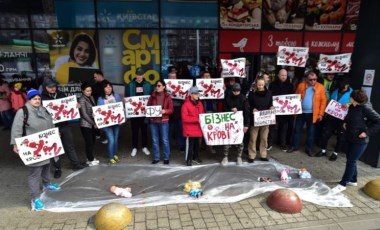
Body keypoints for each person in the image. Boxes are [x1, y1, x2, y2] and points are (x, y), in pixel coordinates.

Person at [10, 88, 61, 211]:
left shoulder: (44, 109)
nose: (37, 100)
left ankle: (46, 184)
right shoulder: (23, 112)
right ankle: (35, 198)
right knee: (34, 173)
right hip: (33, 147)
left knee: (46, 166)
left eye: (38, 98)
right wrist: (15, 144)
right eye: (34, 99)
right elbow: (16, 129)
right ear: (29, 99)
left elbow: (51, 123)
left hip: (46, 144)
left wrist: (55, 134)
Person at [331, 89, 380, 194]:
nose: (349, 98)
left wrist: (367, 133)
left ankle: (342, 184)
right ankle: (353, 180)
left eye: (351, 96)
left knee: (351, 161)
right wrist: (345, 122)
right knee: (351, 159)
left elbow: (378, 121)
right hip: (350, 137)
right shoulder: (353, 106)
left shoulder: (366, 108)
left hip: (360, 140)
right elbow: (351, 117)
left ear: (354, 98)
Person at [41, 77, 86, 178]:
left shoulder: (61, 94)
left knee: (70, 145)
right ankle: (57, 168)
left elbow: (69, 106)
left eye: (54, 86)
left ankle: (76, 164)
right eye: (50, 87)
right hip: (51, 128)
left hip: (64, 125)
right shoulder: (42, 98)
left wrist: (76, 106)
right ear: (45, 87)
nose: (53, 88)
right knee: (54, 149)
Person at [287, 71, 327, 156]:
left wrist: (321, 114)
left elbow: (323, 101)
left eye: (315, 79)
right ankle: (294, 146)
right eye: (311, 80)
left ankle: (309, 149)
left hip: (313, 114)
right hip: (300, 112)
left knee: (311, 132)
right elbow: (295, 96)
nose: (313, 81)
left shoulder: (320, 87)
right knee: (297, 130)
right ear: (306, 79)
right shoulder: (301, 85)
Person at [315, 77, 353, 161]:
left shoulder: (352, 93)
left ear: (347, 85)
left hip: (343, 119)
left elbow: (357, 103)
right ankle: (323, 150)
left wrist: (349, 104)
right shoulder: (335, 91)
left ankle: (335, 153)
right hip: (331, 117)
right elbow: (330, 102)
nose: (342, 87)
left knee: (340, 136)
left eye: (343, 85)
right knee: (325, 133)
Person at [125, 67, 152, 157]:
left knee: (144, 130)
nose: (139, 76)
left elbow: (151, 98)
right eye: (138, 74)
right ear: (135, 74)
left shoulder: (148, 84)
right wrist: (126, 103)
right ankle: (134, 147)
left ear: (144, 75)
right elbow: (127, 97)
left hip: (144, 112)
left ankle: (144, 146)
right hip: (134, 112)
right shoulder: (130, 85)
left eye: (141, 74)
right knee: (134, 131)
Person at [222, 83, 250, 165]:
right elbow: (224, 109)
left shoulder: (243, 99)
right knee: (227, 140)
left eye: (237, 91)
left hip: (239, 124)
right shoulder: (228, 98)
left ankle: (239, 157)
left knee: (240, 140)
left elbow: (246, 113)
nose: (236, 92)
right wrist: (230, 109)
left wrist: (246, 125)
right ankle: (225, 157)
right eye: (234, 91)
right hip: (229, 123)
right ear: (232, 90)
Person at [147, 80, 173, 164]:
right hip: (153, 121)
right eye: (156, 86)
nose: (157, 87)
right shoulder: (152, 96)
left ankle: (166, 158)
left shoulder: (168, 96)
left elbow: (171, 110)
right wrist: (149, 111)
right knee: (155, 140)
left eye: (159, 85)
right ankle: (156, 157)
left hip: (164, 121)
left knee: (165, 140)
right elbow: (148, 106)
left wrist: (165, 111)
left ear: (164, 86)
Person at [247, 77, 274, 162]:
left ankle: (263, 154)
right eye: (259, 85)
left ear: (265, 84)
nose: (261, 86)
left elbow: (271, 103)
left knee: (264, 138)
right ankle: (251, 155)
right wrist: (253, 109)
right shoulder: (251, 93)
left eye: (262, 84)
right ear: (256, 84)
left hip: (265, 119)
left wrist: (271, 107)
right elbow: (248, 105)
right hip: (255, 119)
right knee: (253, 138)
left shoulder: (269, 93)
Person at [97, 80, 123, 165]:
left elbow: (120, 107)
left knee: (115, 140)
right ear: (103, 88)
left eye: (110, 86)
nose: (108, 88)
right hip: (107, 123)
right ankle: (111, 157)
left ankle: (114, 154)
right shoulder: (100, 99)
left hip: (116, 122)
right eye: (106, 87)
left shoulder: (116, 96)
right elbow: (99, 111)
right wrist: (96, 115)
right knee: (111, 140)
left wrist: (122, 112)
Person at [269, 69, 295, 151]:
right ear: (278, 75)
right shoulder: (272, 84)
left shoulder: (290, 85)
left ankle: (282, 143)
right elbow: (269, 96)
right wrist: (270, 105)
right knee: (271, 127)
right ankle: (269, 143)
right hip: (274, 109)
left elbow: (292, 97)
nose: (284, 77)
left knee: (283, 127)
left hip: (285, 110)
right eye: (282, 75)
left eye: (285, 75)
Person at [182, 86, 205, 166]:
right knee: (190, 146)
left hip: (197, 128)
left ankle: (195, 157)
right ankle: (188, 160)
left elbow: (202, 114)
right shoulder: (185, 105)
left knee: (197, 145)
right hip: (190, 129)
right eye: (195, 93)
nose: (197, 95)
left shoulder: (200, 104)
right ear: (191, 94)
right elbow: (184, 118)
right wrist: (197, 119)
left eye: (197, 93)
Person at [78, 82, 99, 166]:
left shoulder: (92, 97)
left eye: (90, 90)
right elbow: (84, 114)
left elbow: (94, 109)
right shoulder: (81, 99)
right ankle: (90, 160)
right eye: (87, 91)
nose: (89, 92)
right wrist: (93, 123)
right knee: (89, 142)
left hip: (92, 124)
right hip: (86, 124)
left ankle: (90, 158)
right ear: (83, 91)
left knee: (92, 141)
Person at [199, 71, 217, 154]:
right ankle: (198, 148)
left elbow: (220, 99)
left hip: (212, 111)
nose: (207, 77)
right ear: (202, 78)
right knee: (200, 130)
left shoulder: (215, 86)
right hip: (202, 111)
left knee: (211, 130)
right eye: (205, 76)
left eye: (208, 76)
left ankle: (210, 147)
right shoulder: (199, 86)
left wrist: (222, 89)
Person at [168, 72, 185, 152]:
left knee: (180, 128)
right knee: (169, 129)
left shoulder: (181, 86)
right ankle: (168, 145)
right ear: (168, 78)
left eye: (174, 77)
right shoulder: (165, 86)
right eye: (171, 77)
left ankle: (181, 145)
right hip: (169, 109)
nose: (173, 78)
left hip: (179, 109)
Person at [92, 70, 107, 143]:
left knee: (106, 121)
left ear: (100, 75)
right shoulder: (94, 85)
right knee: (97, 121)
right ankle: (97, 134)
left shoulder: (107, 84)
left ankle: (106, 137)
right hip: (95, 106)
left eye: (95, 77)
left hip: (105, 107)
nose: (94, 78)